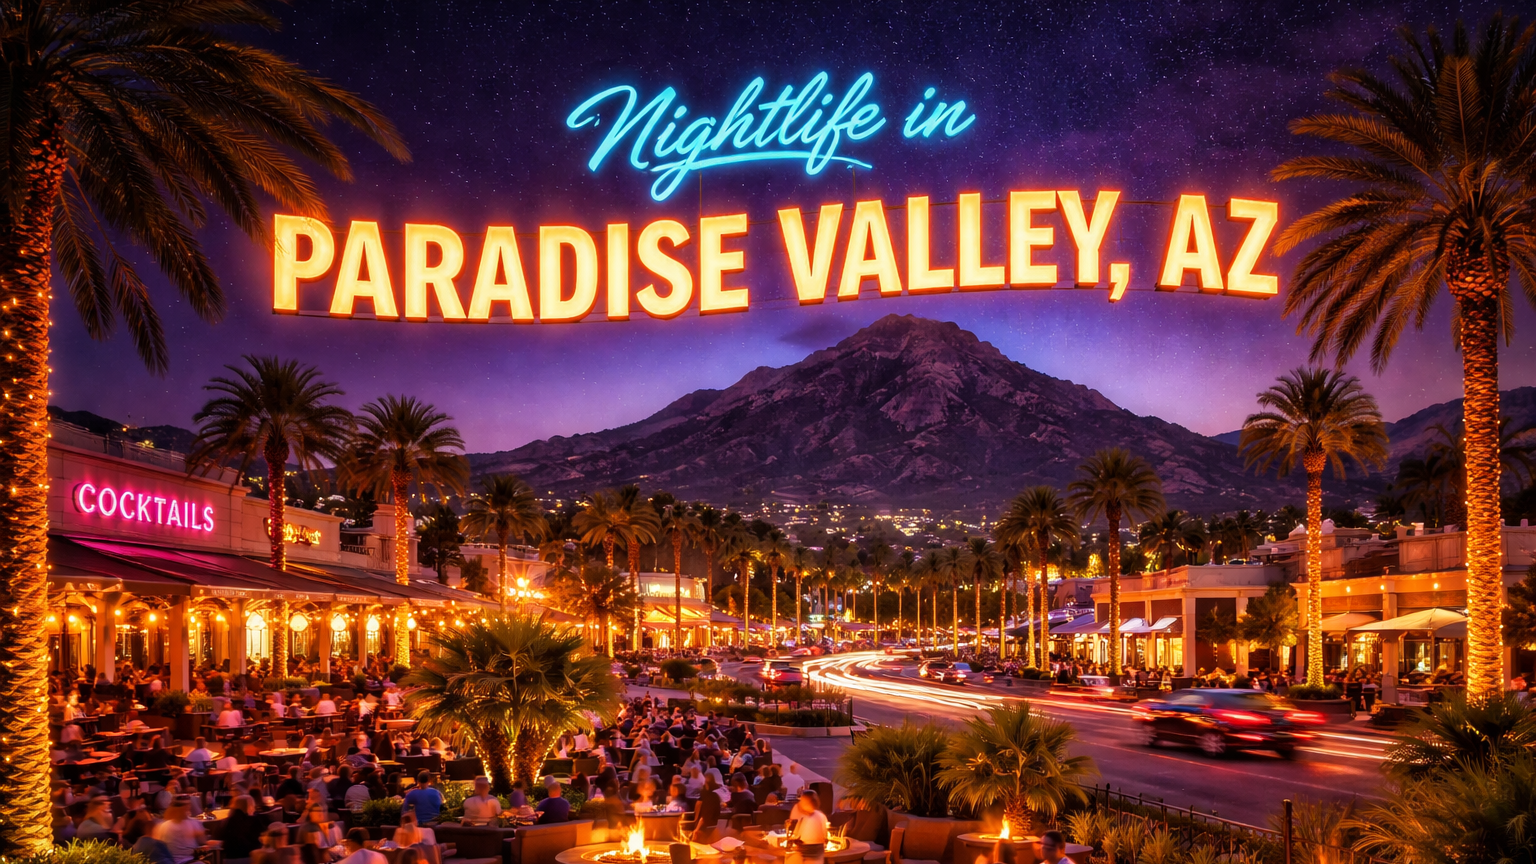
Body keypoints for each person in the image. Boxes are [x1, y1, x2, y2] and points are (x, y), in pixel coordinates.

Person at [153, 798, 208, 864]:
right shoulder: (193, 823)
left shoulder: (162, 826)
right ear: (187, 807)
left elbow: (157, 846)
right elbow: (203, 841)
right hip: (191, 861)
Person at [784, 789, 828, 864]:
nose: (800, 804)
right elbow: (825, 835)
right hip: (818, 851)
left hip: (807, 850)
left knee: (789, 857)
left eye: (803, 802)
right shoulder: (821, 816)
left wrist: (795, 840)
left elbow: (797, 834)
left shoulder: (805, 818)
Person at [225, 795, 263, 861]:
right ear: (250, 806)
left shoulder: (228, 821)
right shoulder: (253, 820)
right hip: (250, 858)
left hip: (229, 859)